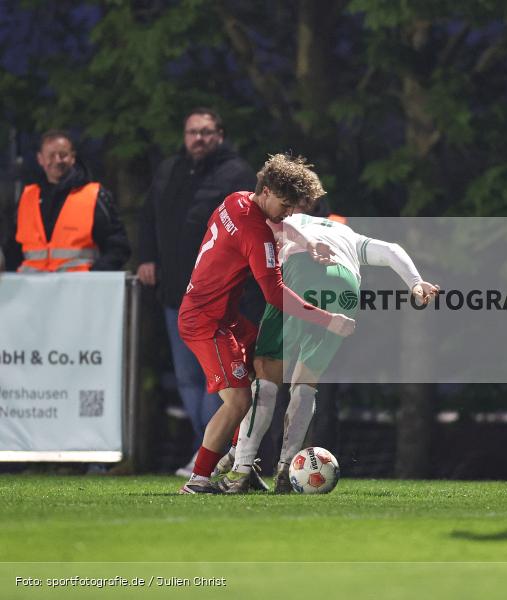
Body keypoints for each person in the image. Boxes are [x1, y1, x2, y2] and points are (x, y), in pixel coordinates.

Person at [215, 213, 440, 493]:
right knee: (306, 382)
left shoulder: (292, 218)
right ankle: (285, 470)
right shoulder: (349, 235)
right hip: (346, 286)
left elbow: (267, 233)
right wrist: (416, 283)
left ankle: (241, 470)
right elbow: (392, 250)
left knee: (266, 371)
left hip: (301, 271)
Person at [176, 153, 356, 494]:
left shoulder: (238, 199)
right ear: (268, 190)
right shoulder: (255, 232)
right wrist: (328, 319)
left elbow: (280, 226)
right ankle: (199, 479)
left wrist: (308, 243)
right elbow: (276, 295)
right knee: (239, 401)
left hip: (219, 316)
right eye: (286, 204)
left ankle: (240, 459)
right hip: (206, 322)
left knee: (262, 367)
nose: (289, 212)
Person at [136, 108, 258, 476]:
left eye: (206, 132)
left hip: (217, 300)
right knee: (187, 379)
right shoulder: (169, 169)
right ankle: (204, 446)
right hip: (175, 292)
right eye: (193, 132)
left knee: (216, 381)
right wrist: (146, 257)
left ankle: (208, 452)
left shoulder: (236, 174)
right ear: (185, 135)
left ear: (220, 134)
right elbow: (148, 216)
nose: (199, 138)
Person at [10, 130, 130, 273]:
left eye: (63, 155)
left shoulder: (93, 196)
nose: (57, 160)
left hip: (79, 290)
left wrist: (96, 276)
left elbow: (118, 247)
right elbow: (13, 248)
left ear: (72, 158)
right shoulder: (27, 197)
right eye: (51, 155)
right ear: (40, 159)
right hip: (33, 290)